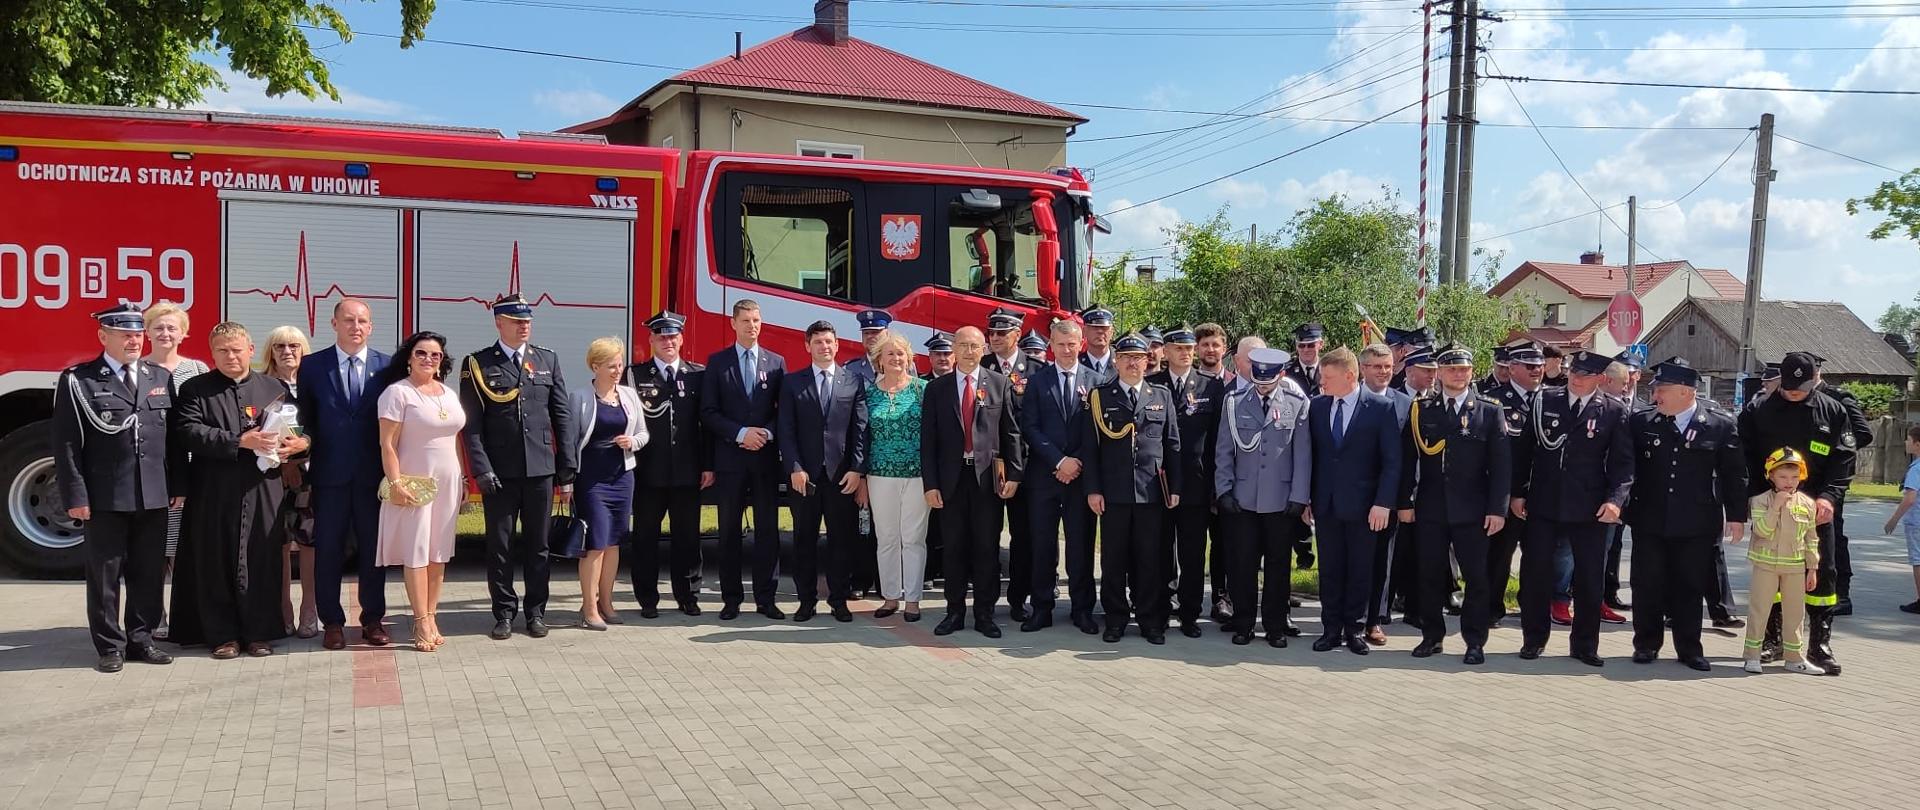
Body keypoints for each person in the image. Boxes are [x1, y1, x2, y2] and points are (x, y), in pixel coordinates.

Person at [53, 304, 182, 672]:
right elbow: (66, 444)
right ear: (103, 336)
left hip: (153, 493)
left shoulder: (158, 376)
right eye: (125, 335)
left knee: (149, 572)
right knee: (105, 575)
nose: (134, 341)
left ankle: (142, 639)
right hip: (105, 496)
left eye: (138, 334)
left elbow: (172, 440)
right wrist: (76, 495)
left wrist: (178, 485)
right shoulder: (80, 380)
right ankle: (110, 646)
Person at [170, 322, 307, 658]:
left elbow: (297, 426)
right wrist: (238, 441)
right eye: (222, 351)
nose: (230, 356)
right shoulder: (195, 389)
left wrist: (299, 443)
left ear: (250, 350)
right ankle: (223, 635)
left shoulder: (273, 387)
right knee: (215, 560)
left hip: (263, 487)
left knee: (262, 558)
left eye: (236, 350)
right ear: (212, 353)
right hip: (213, 487)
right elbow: (187, 431)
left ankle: (259, 633)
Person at [460, 293, 577, 640]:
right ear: (499, 323)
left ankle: (536, 612)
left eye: (527, 320)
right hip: (500, 473)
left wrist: (567, 466)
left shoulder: (546, 359)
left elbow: (561, 416)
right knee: (500, 546)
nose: (524, 325)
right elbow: (472, 425)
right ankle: (504, 613)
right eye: (516, 320)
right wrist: (481, 469)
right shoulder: (478, 363)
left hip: (540, 470)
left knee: (539, 546)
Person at [1510, 350, 1633, 667]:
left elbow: (1623, 465)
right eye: (1574, 372)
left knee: (1589, 579)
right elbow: (1524, 451)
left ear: (1600, 379)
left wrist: (1615, 501)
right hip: (1544, 502)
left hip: (1589, 508)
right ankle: (1533, 639)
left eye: (1584, 375)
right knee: (1536, 574)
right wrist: (1518, 492)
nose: (1576, 379)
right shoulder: (1544, 400)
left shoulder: (1613, 410)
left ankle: (1584, 645)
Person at [1624, 358, 1746, 672]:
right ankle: (1646, 644)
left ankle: (1690, 649)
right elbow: (1626, 468)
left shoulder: (1719, 424)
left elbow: (1734, 474)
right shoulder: (1642, 422)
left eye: (1661, 390)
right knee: (1646, 584)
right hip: (1650, 519)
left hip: (1696, 523)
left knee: (1689, 586)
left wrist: (1736, 516)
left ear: (1685, 391)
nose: (1655, 396)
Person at [1738, 351, 1852, 675]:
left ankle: (1819, 646)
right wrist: (1754, 500)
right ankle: (1772, 640)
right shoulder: (1759, 411)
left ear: (1814, 380)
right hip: (1772, 506)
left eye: (1801, 389)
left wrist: (1829, 497)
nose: (1794, 394)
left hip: (1816, 508)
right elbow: (1743, 456)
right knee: (1770, 577)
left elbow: (1843, 460)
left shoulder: (1832, 410)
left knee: (1822, 574)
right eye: (1788, 388)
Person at [1399, 343, 1509, 665]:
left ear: (1471, 372)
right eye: (1451, 369)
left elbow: (1501, 466)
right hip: (1431, 509)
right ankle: (1432, 636)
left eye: (1463, 369)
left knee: (1476, 578)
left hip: (1473, 511)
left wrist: (1497, 509)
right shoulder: (1422, 409)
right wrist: (1404, 502)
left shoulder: (1489, 410)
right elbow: (1408, 460)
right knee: (1429, 575)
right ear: (1440, 373)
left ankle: (1474, 641)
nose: (1458, 374)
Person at [295, 299, 393, 650]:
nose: (356, 326)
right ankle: (332, 622)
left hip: (373, 477)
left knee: (373, 551)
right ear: (334, 323)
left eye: (362, 321)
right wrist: (301, 443)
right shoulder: (312, 366)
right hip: (329, 475)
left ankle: (373, 620)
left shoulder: (387, 366)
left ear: (371, 327)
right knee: (328, 550)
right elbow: (305, 418)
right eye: (348, 320)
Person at [922, 326, 1023, 638]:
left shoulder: (999, 383)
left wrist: (1015, 474)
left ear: (984, 350)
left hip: (986, 480)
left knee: (986, 548)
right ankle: (954, 612)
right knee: (953, 548)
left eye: (974, 346)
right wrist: (930, 484)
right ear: (954, 349)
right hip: (951, 480)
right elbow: (928, 441)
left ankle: (984, 614)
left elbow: (1010, 432)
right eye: (963, 345)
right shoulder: (937, 389)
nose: (968, 351)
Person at [1082, 333, 1181, 645]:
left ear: (1147, 361)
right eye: (1126, 357)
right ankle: (1115, 619)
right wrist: (1093, 489)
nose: (1132, 363)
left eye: (1138, 358)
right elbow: (1090, 449)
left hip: (1150, 493)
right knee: (1114, 560)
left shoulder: (1161, 395)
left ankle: (1150, 620)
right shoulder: (1100, 396)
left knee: (1149, 560)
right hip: (1114, 493)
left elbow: (1172, 445)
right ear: (1116, 361)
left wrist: (1174, 487)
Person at [1305, 347, 1401, 655]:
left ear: (1349, 376)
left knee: (1361, 570)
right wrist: (1306, 499)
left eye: (1327, 377)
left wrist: (1383, 502)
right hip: (1327, 504)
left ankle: (1355, 629)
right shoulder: (1318, 406)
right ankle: (1331, 629)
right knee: (1330, 570)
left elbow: (1392, 461)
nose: (1322, 382)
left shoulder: (1380, 407)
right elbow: (1311, 457)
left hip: (1365, 507)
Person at [374, 331, 467, 651]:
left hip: (448, 481)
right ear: (409, 358)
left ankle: (432, 614)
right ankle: (420, 621)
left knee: (438, 552)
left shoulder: (448, 394)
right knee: (416, 552)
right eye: (421, 353)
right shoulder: (397, 393)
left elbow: (454, 438)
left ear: (442, 361)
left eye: (435, 355)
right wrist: (396, 483)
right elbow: (387, 444)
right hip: (414, 483)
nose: (428, 359)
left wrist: (462, 479)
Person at [1214, 347, 1312, 648]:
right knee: (1243, 566)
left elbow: (1303, 455)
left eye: (1268, 382)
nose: (1263, 387)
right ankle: (1243, 623)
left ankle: (1275, 626)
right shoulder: (1234, 402)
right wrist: (1224, 490)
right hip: (1243, 499)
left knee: (1278, 567)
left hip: (1280, 501)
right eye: (1259, 381)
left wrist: (1299, 496)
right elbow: (1224, 451)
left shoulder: (1296, 403)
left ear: (1281, 375)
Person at [700, 299, 788, 620]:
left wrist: (765, 433)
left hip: (764, 460)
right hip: (731, 460)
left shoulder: (776, 363)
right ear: (733, 323)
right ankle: (731, 599)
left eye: (756, 320)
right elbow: (708, 412)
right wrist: (740, 434)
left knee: (767, 531)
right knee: (728, 532)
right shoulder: (718, 362)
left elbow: (784, 411)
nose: (752, 326)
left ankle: (766, 598)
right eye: (746, 320)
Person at [778, 321, 869, 623]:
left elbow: (860, 429)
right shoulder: (792, 382)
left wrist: (857, 469)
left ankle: (838, 600)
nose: (824, 347)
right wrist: (794, 467)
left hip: (841, 476)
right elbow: (786, 429)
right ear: (808, 346)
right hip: (804, 477)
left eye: (829, 341)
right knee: (804, 541)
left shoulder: (853, 381)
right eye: (818, 342)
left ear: (837, 344)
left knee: (841, 541)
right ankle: (806, 602)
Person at [624, 312, 711, 617]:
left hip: (688, 471)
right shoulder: (634, 375)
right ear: (651, 340)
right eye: (661, 337)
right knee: (645, 538)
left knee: (688, 538)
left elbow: (706, 426)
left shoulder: (697, 375)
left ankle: (688, 595)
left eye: (673, 336)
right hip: (648, 472)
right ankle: (647, 598)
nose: (668, 342)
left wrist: (708, 465)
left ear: (681, 339)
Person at [1020, 319, 1098, 634]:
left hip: (1080, 478)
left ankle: (1082, 609)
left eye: (1071, 344)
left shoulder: (1096, 381)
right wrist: (1059, 461)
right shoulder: (1037, 381)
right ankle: (1041, 608)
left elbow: (1097, 430)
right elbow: (1030, 427)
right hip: (1044, 476)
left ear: (1081, 344)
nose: (1066, 350)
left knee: (1080, 546)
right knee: (1042, 545)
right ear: (1051, 346)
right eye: (1060, 344)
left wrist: (1076, 462)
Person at [1148, 326, 1225, 639]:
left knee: (1193, 555)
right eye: (1178, 348)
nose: (1185, 353)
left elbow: (1218, 441)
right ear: (1165, 351)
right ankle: (1161, 610)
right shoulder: (1152, 384)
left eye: (1189, 348)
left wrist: (1217, 486)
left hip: (1196, 484)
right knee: (1160, 551)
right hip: (1159, 483)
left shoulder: (1211, 386)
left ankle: (1190, 613)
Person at [570, 338, 648, 630]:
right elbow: (569, 441)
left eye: (620, 364)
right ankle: (589, 608)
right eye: (611, 366)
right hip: (591, 480)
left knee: (614, 542)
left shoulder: (629, 395)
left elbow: (643, 433)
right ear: (595, 367)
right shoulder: (580, 397)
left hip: (622, 478)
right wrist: (566, 482)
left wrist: (632, 442)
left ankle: (606, 602)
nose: (618, 371)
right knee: (596, 543)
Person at [142, 300, 207, 642]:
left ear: (184, 334)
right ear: (147, 332)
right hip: (153, 471)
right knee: (154, 549)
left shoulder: (197, 370)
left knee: (185, 549)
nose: (165, 333)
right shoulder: (138, 370)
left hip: (194, 473)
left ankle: (187, 617)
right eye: (158, 327)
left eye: (172, 328)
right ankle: (155, 616)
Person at [1738, 448, 1826, 675]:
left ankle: (1794, 658)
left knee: (1795, 613)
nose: (1789, 482)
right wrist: (1776, 506)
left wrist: (1812, 568)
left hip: (1795, 566)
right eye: (1783, 477)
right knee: (1759, 610)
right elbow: (1762, 531)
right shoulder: (1760, 501)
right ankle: (1752, 656)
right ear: (1771, 476)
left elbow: (1811, 538)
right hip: (1765, 565)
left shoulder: (1807, 503)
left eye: (1795, 477)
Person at [864, 329, 931, 622]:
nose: (896, 358)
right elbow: (862, 437)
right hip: (879, 475)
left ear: (909, 357)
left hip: (917, 475)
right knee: (887, 537)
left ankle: (913, 600)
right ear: (879, 359)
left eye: (900, 353)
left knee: (914, 538)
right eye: (889, 353)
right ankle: (890, 597)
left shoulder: (923, 390)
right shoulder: (868, 394)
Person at [263, 325, 318, 640]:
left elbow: (323, 427)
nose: (287, 352)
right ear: (270, 352)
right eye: (280, 346)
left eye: (294, 346)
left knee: (310, 541)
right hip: (272, 476)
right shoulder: (263, 385)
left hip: (311, 475)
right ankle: (282, 609)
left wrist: (302, 456)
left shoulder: (314, 384)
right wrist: (284, 465)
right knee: (279, 543)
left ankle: (309, 610)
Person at [983, 306, 1037, 622]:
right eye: (992, 333)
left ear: (1017, 334)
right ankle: (986, 600)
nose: (995, 338)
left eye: (1002, 333)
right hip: (988, 464)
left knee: (1022, 536)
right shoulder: (982, 367)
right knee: (987, 535)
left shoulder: (1036, 370)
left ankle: (1018, 600)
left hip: (1024, 466)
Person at [1485, 343, 1545, 626]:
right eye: (1530, 366)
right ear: (1512, 368)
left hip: (1542, 494)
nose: (1537, 371)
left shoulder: (1552, 400)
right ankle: (1491, 608)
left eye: (1540, 366)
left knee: (1538, 557)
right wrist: (1509, 495)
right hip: (1506, 495)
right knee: (1499, 555)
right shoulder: (1494, 401)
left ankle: (1530, 608)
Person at [1358, 343, 1413, 647]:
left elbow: (1407, 458)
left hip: (1386, 497)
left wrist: (1399, 501)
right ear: (1363, 368)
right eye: (1377, 366)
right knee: (1350, 559)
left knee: (1382, 561)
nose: (1384, 372)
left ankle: (1374, 620)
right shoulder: (1349, 397)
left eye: (1388, 367)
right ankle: (1345, 617)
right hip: (1352, 494)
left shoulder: (1405, 403)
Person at [1194, 322, 1236, 619]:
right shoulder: (1190, 384)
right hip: (1197, 478)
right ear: (1197, 349)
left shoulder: (1235, 384)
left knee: (1225, 542)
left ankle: (1222, 597)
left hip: (1228, 477)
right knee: (1193, 543)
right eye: (1205, 345)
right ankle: (1186, 597)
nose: (1210, 350)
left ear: (1225, 349)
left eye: (1215, 345)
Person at [1885, 426, 1920, 614]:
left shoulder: (1916, 469)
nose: (1906, 442)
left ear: (1917, 444)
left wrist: (1894, 519)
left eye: (1908, 439)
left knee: (1918, 560)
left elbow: (1910, 498)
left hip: (1916, 522)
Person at [1284, 323, 1325, 397]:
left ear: (1321, 344)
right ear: (1296, 346)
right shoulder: (1286, 372)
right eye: (1301, 345)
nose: (1306, 350)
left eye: (1311, 345)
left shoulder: (1329, 370)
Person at [1078, 306, 1117, 381]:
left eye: (1104, 327)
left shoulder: (1122, 362)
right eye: (1095, 327)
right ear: (1084, 331)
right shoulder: (1076, 364)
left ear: (1112, 332)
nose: (1100, 331)